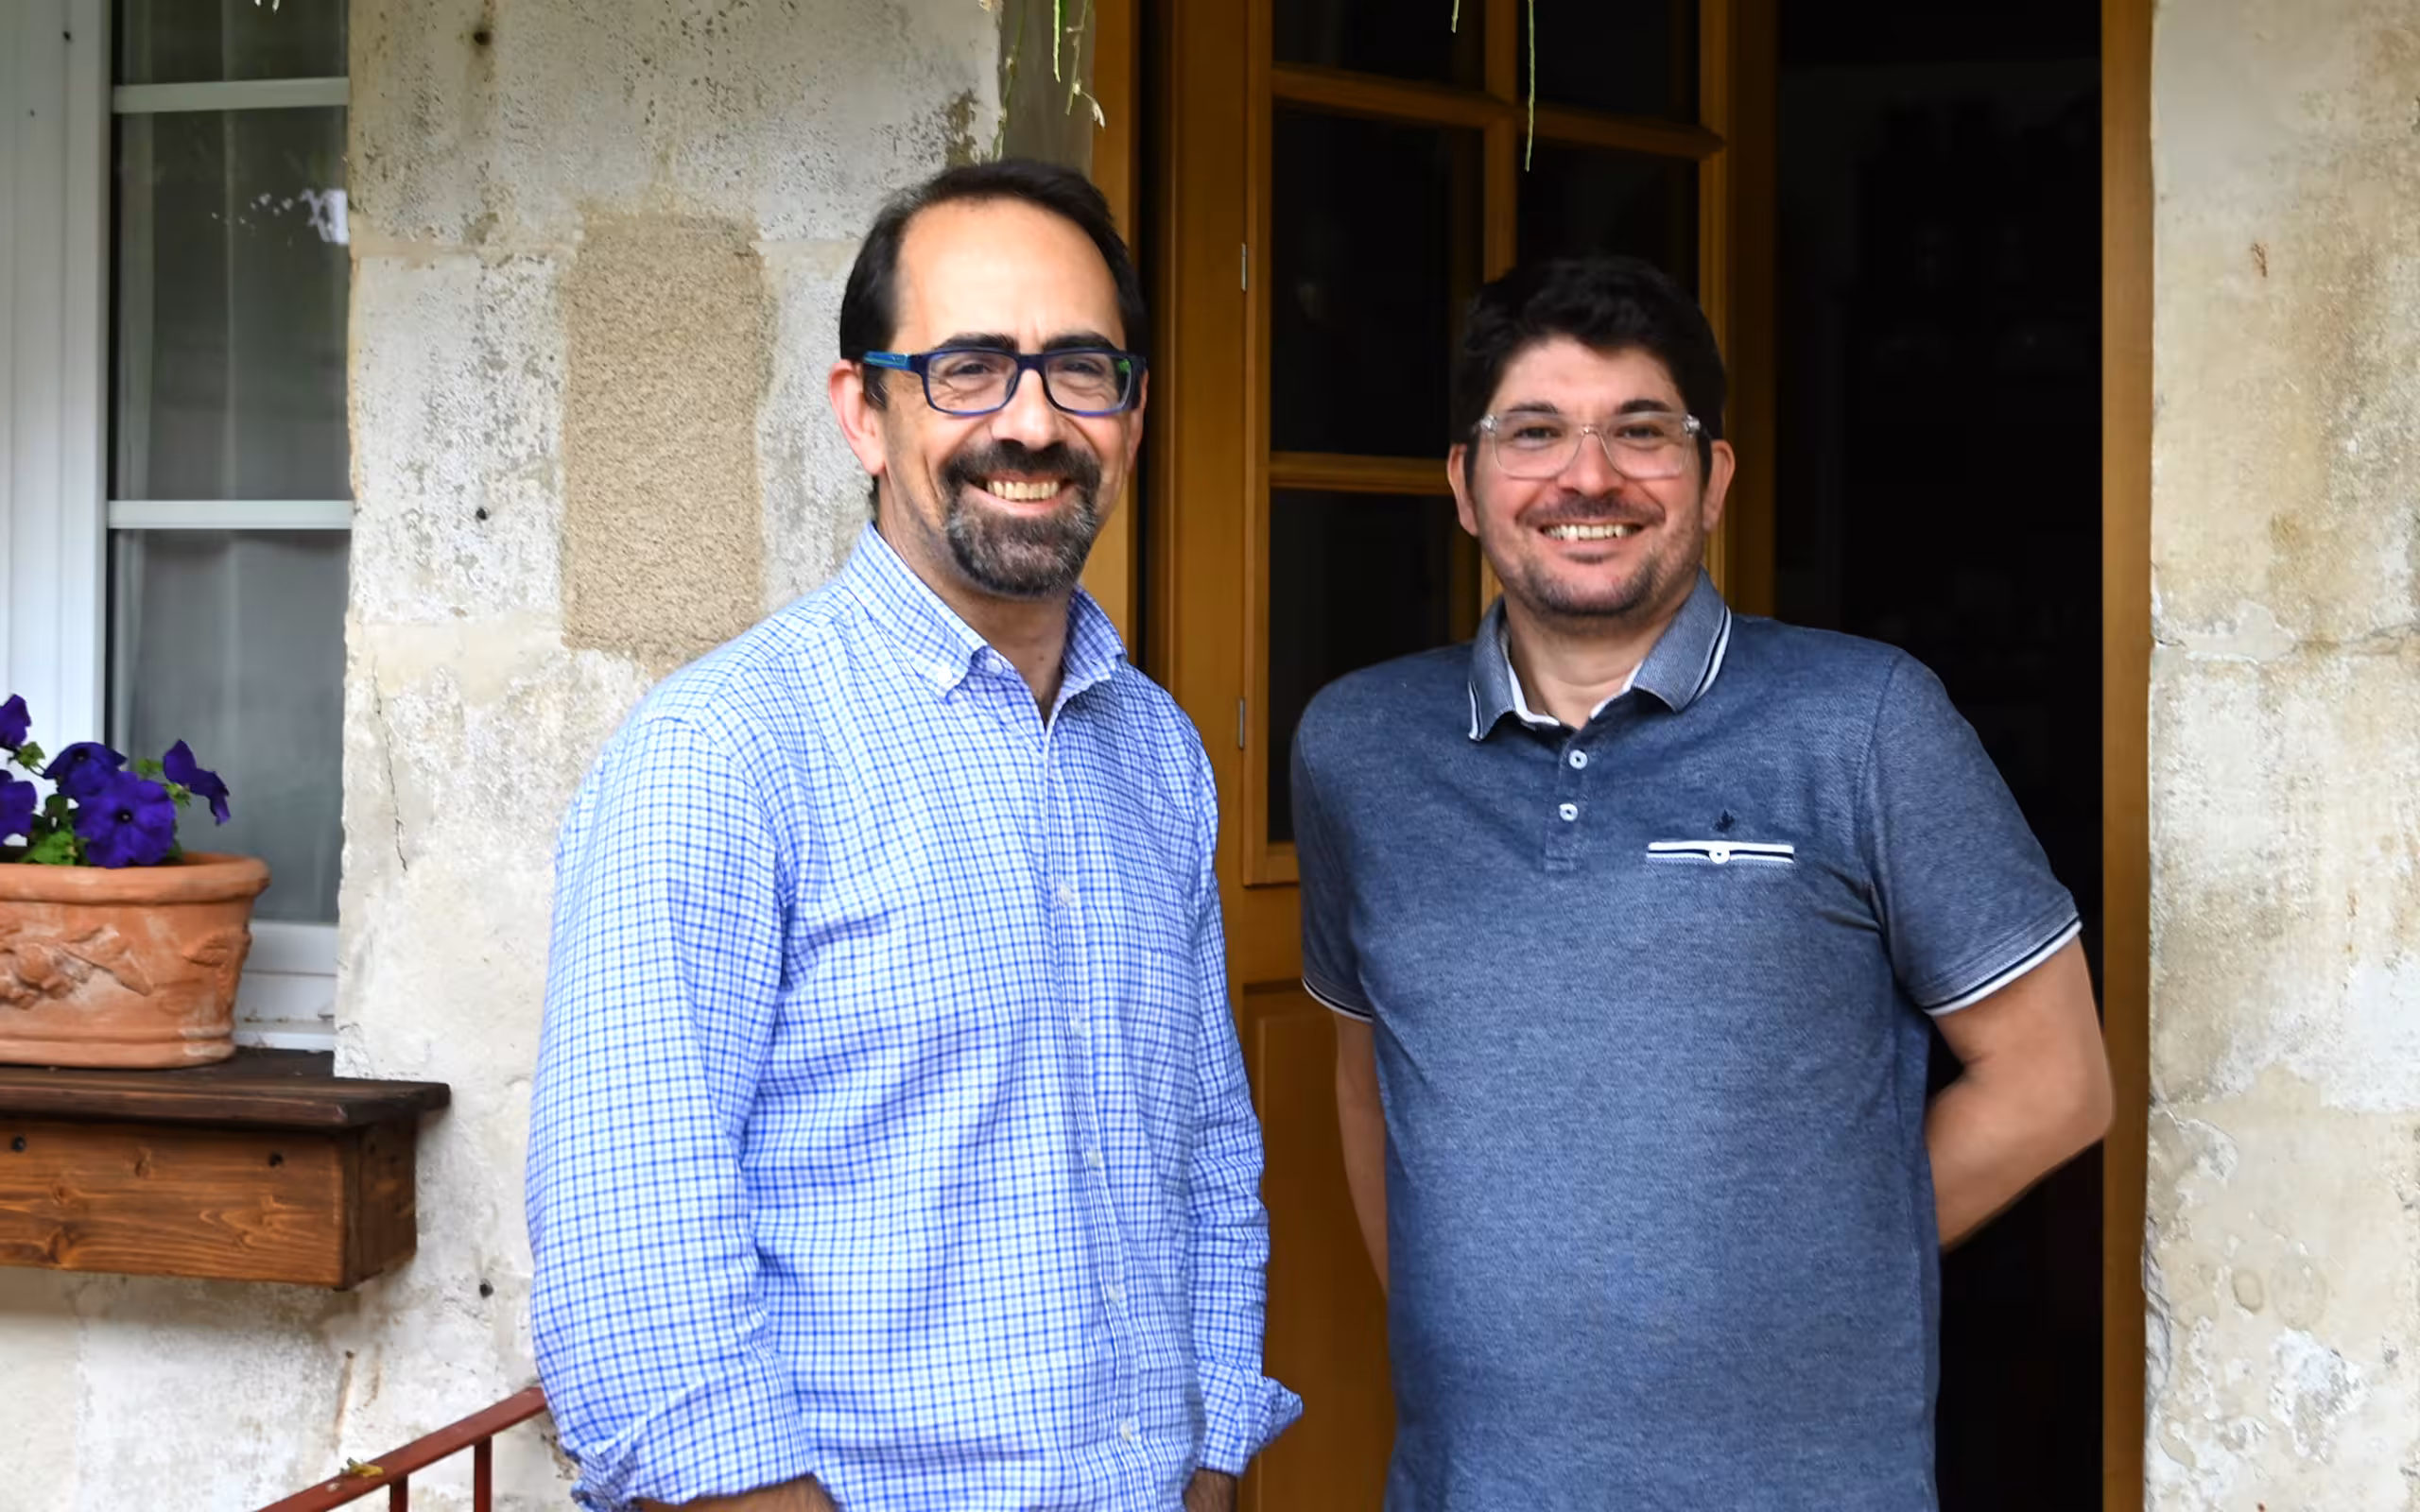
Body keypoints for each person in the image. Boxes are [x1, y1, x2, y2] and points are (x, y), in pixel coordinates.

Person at [528, 159, 1299, 1512]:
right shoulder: (723, 755)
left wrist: (1215, 1459)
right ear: (863, 413)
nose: (1033, 420)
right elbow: (633, 1259)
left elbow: (1207, 1159)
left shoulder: (1159, 754)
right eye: (968, 368)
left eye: (1080, 368)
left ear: (1132, 411)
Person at [1290, 253, 2113, 1510]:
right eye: (1534, 433)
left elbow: (2058, 1082)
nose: (1588, 477)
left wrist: (1797, 1263)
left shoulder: (1866, 720)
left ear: (1714, 477)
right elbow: (1368, 1087)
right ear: (1465, 484)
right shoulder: (1358, 748)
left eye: (1642, 433)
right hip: (1475, 1483)